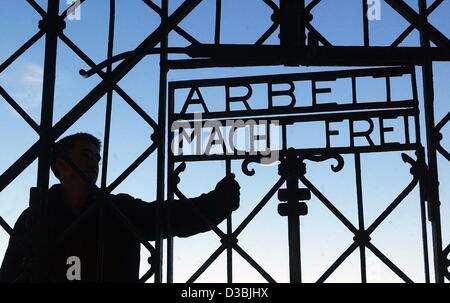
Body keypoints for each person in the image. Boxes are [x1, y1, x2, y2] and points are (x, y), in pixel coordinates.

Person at [0, 133, 240, 283]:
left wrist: (218, 202)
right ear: (61, 164)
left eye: (97, 157)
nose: (94, 162)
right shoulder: (36, 216)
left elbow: (168, 218)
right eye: (85, 155)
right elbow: (11, 272)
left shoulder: (117, 210)